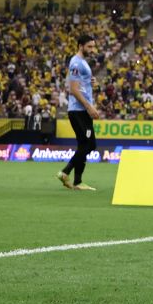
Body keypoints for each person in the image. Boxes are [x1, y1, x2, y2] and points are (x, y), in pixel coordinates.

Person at [59, 34, 99, 190]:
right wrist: (89, 107)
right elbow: (73, 90)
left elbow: (81, 84)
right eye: (89, 46)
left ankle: (77, 182)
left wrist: (91, 81)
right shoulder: (76, 62)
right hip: (79, 110)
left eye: (93, 46)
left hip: (82, 110)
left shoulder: (83, 63)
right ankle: (65, 172)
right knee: (89, 145)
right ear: (80, 46)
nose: (92, 49)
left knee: (86, 144)